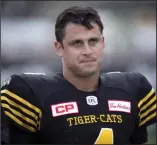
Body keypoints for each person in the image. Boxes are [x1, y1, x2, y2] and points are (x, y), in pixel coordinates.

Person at [1, 6, 156, 144]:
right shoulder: (29, 93)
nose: (87, 51)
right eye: (77, 43)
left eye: (93, 41)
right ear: (59, 48)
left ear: (103, 43)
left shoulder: (132, 89)